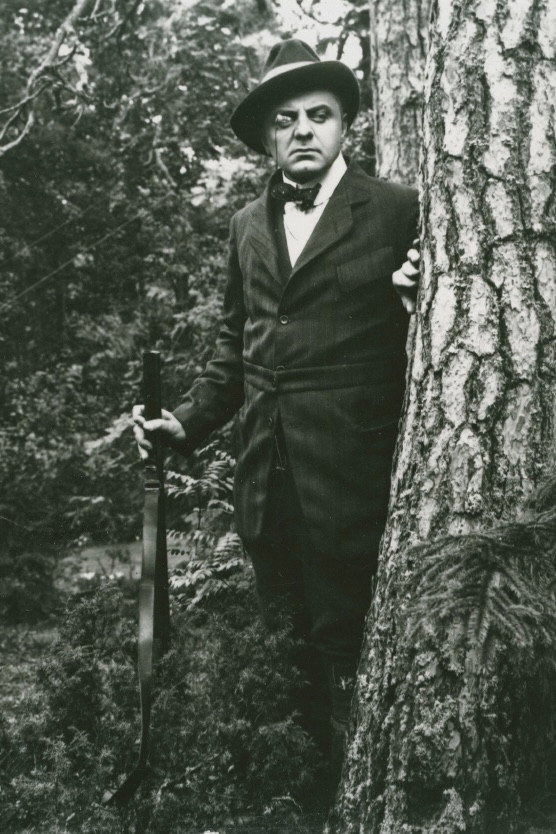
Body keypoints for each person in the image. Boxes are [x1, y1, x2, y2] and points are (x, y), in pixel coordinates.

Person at [133, 38, 420, 801]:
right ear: (266, 136)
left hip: (355, 479)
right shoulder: (245, 226)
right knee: (286, 651)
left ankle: (367, 796)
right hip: (266, 481)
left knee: (354, 647)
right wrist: (185, 423)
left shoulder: (397, 210)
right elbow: (236, 346)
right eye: (285, 119)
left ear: (345, 126)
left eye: (318, 115)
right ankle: (305, 799)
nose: (303, 130)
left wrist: (418, 292)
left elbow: (426, 326)